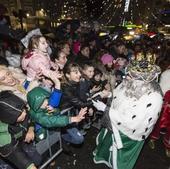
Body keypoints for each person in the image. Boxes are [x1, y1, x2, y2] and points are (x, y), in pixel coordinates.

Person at [92, 52, 163, 169]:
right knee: (108, 146)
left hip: (128, 135)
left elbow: (132, 121)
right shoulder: (131, 84)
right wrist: (109, 95)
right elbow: (122, 98)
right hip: (114, 125)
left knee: (119, 159)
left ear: (143, 80)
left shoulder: (154, 98)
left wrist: (105, 109)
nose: (126, 77)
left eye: (131, 76)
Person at [0, 91, 41, 169]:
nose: (24, 113)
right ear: (8, 118)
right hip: (9, 151)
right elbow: (17, 156)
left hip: (21, 142)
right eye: (19, 114)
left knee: (37, 160)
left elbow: (30, 117)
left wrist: (30, 129)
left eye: (23, 109)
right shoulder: (3, 137)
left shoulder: (21, 111)